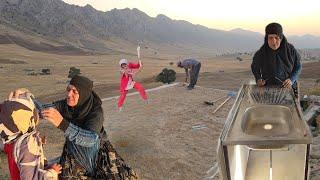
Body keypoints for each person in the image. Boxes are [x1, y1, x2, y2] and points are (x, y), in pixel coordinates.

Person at [41, 75, 138, 179]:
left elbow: (90, 139)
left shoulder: (96, 112)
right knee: (65, 177)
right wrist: (26, 99)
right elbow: (42, 109)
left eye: (74, 91)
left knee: (123, 177)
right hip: (73, 151)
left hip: (98, 152)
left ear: (83, 94)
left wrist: (62, 123)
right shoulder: (65, 105)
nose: (69, 94)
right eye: (68, 89)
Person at [0, 88, 61, 180]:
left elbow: (24, 161)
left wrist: (38, 145)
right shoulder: (26, 145)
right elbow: (29, 177)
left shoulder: (11, 140)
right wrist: (52, 172)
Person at [251, 22, 302, 97]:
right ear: (267, 38)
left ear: (281, 38)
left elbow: (298, 66)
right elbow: (254, 66)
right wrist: (258, 78)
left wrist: (291, 79)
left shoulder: (291, 50)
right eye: (270, 38)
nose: (273, 42)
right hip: (268, 88)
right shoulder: (262, 52)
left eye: (276, 38)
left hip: (288, 88)